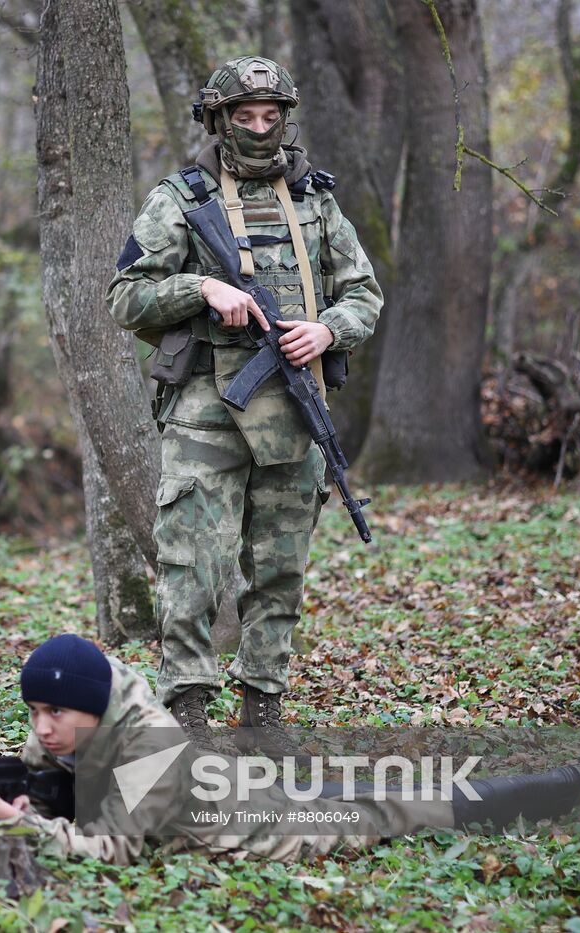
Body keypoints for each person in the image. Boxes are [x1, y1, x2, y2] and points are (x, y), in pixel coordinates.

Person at [106, 56, 384, 757]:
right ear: (218, 119)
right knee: (192, 565)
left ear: (287, 119)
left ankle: (263, 710)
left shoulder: (317, 202)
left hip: (294, 408)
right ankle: (190, 710)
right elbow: (125, 296)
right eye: (245, 117)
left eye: (271, 116)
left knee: (281, 565)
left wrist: (327, 329)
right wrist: (200, 288)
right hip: (206, 412)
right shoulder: (180, 198)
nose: (260, 129)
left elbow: (364, 295)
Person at [0, 635, 580, 867]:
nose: (41, 728)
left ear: (93, 709)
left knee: (399, 811)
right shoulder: (86, 725)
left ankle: (549, 789)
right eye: (34, 712)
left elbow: (113, 851)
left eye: (54, 713)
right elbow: (45, 768)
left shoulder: (148, 745)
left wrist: (20, 823)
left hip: (265, 827)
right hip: (241, 788)